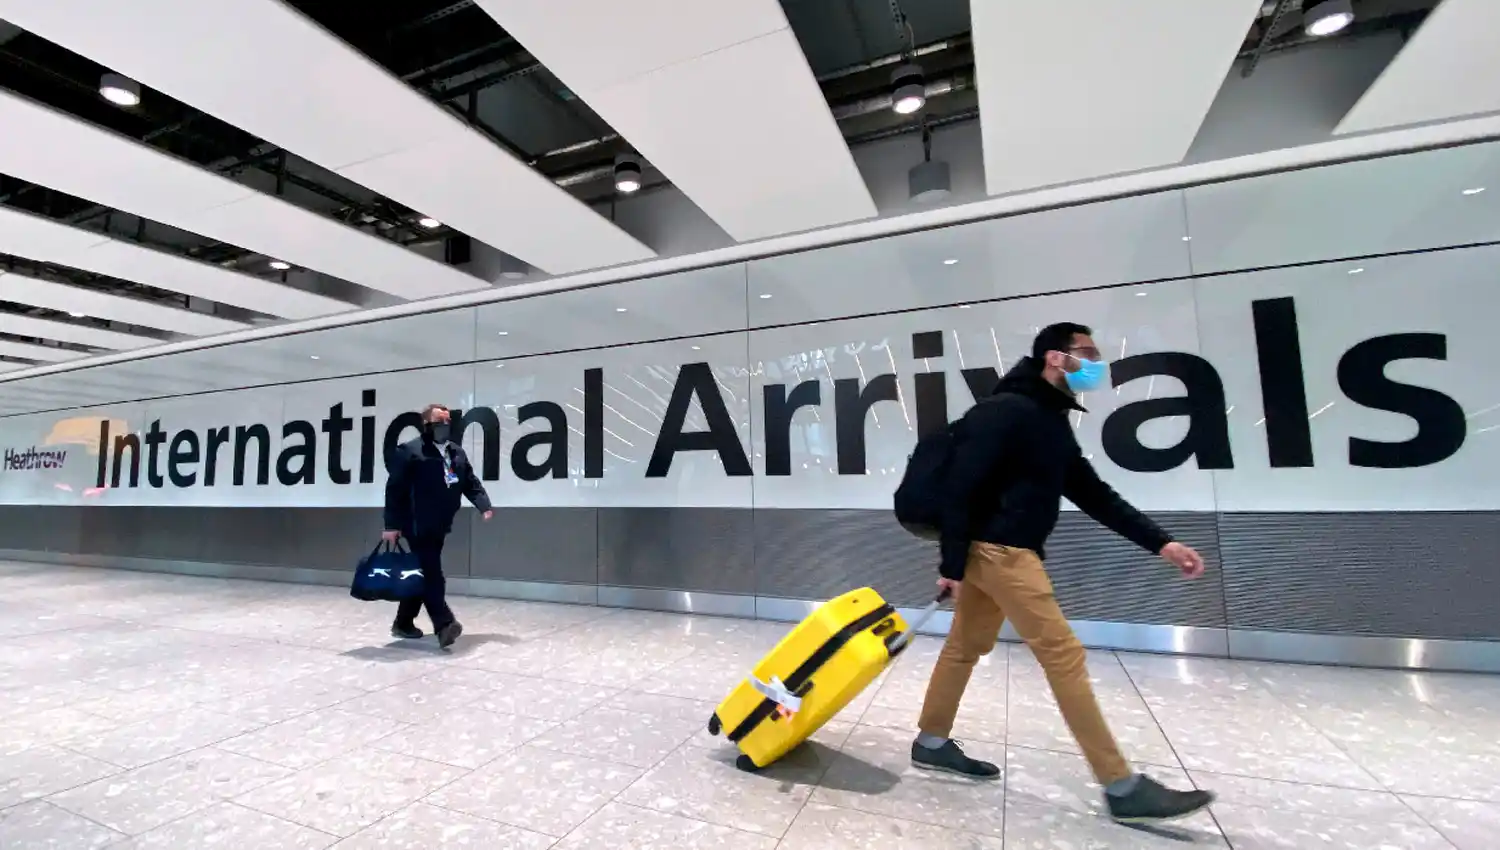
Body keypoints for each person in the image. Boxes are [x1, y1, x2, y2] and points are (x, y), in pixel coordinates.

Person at [911, 322, 1216, 824]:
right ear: (1055, 357)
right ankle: (1121, 786)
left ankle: (930, 741)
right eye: (1087, 353)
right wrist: (952, 563)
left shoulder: (1048, 419)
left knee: (965, 645)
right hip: (1003, 552)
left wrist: (1161, 542)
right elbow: (961, 487)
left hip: (995, 551)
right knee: (1063, 654)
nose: (1095, 363)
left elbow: (1093, 493)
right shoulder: (1007, 412)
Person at [382, 403, 493, 649]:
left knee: (421, 572)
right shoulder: (410, 451)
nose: (444, 426)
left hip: (440, 523)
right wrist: (391, 524)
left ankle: (403, 622)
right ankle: (444, 624)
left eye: (447, 421)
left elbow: (469, 481)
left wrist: (483, 505)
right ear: (426, 425)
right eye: (439, 422)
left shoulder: (456, 452)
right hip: (416, 524)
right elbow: (395, 490)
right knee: (432, 574)